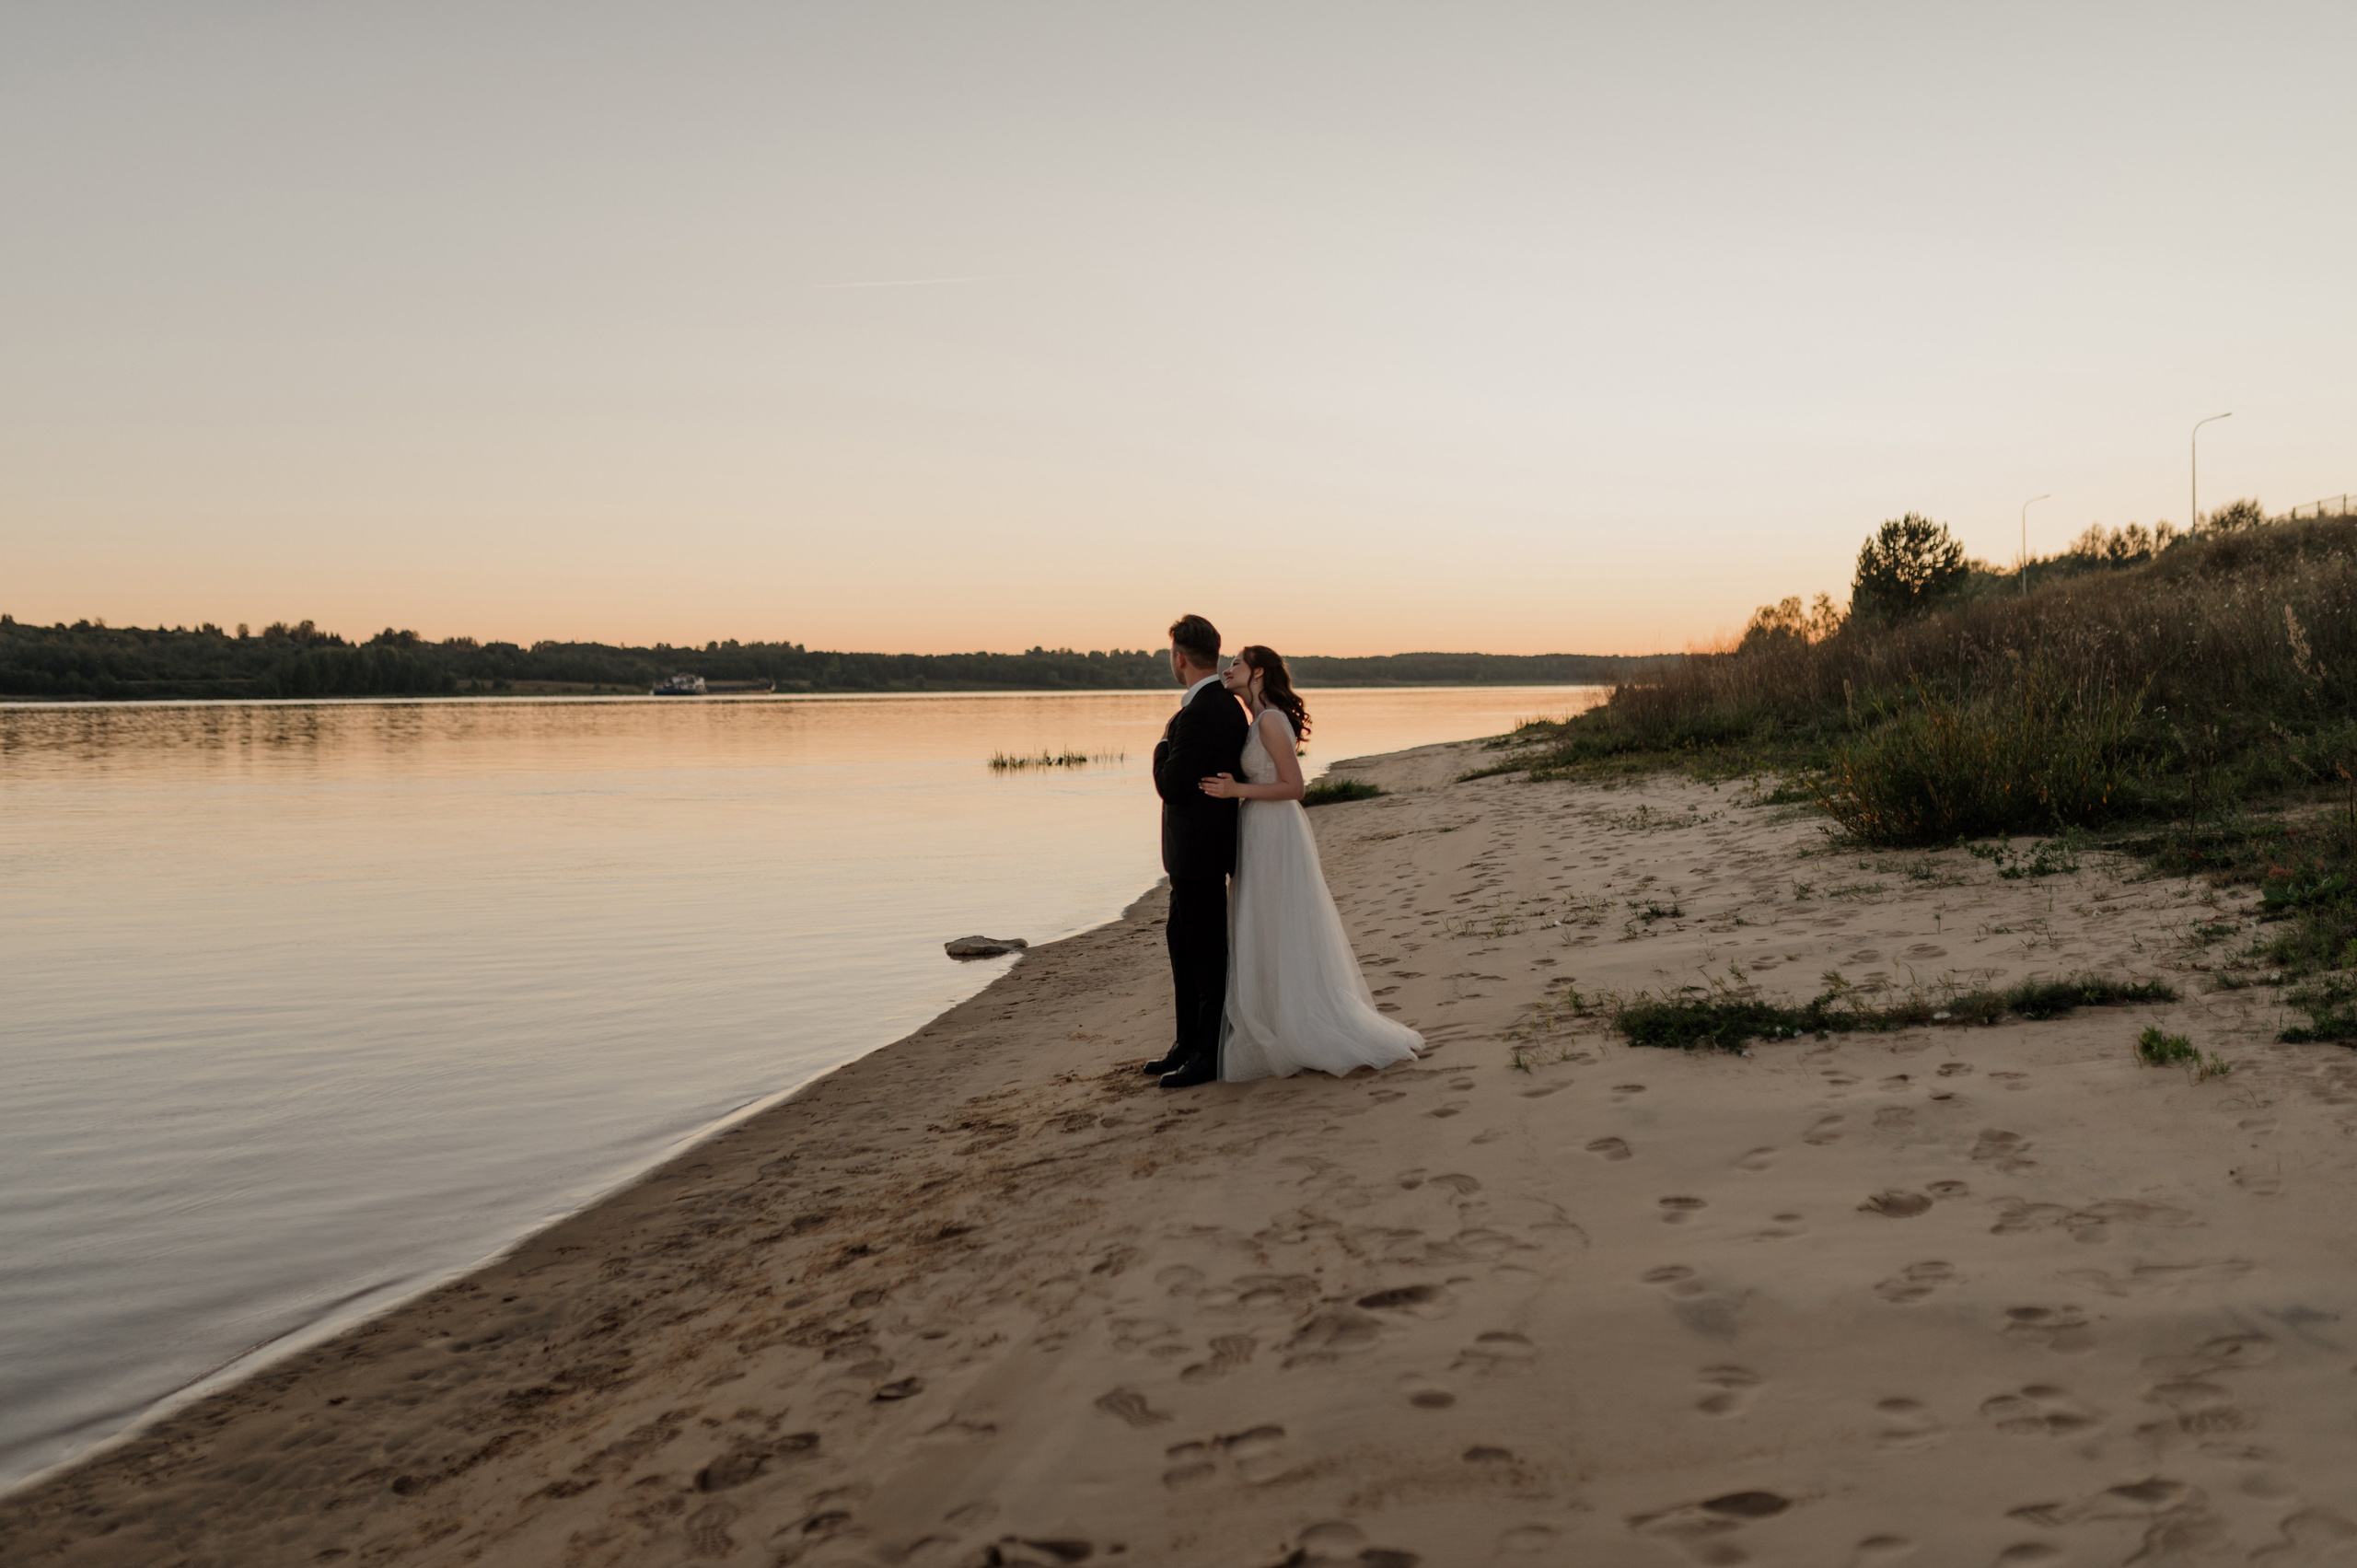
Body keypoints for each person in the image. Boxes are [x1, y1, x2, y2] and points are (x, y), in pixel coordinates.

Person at [1199, 646, 1422, 1081]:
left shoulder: (1270, 721)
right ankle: (1278, 1019)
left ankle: (1298, 1024)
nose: (1228, 669)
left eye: (1238, 663)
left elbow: (1295, 787)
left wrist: (1236, 790)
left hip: (1275, 833)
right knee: (1265, 924)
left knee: (1279, 923)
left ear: (1258, 673)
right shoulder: (1257, 720)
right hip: (1260, 830)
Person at [1145, 614, 1250, 1089]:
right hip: (1194, 856)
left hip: (1199, 854)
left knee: (1205, 954)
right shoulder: (1223, 706)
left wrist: (1162, 744)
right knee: (1182, 947)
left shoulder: (1201, 711)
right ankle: (1186, 1042)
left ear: (1180, 658)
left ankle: (1208, 1053)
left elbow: (1170, 785)